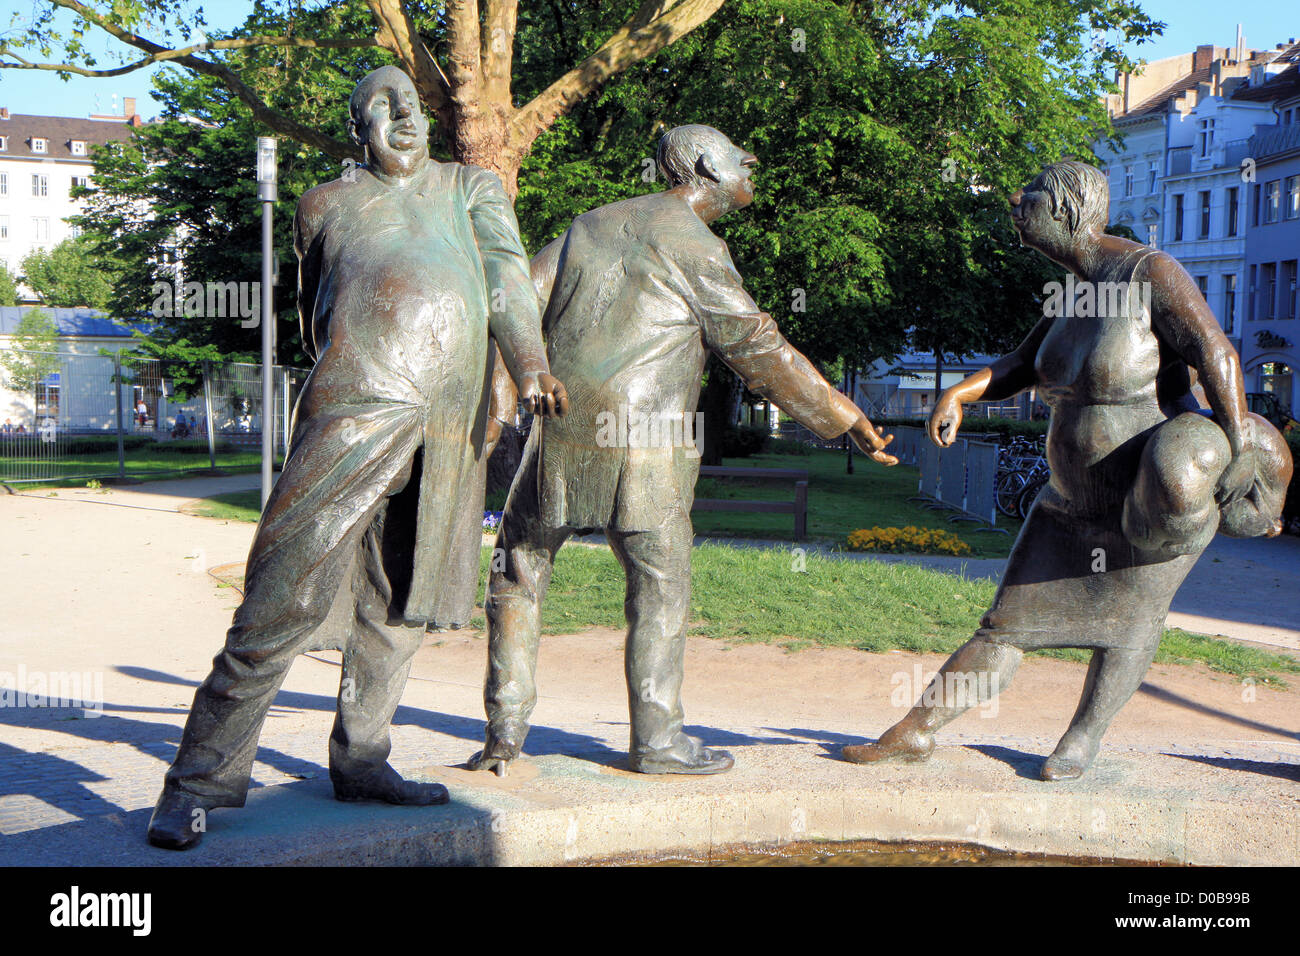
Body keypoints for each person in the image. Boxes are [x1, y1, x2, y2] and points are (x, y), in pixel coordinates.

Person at [147, 65, 568, 850]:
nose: (407, 117)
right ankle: (196, 781)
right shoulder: (325, 203)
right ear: (358, 129)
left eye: (415, 105)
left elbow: (509, 280)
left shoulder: (472, 189)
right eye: (386, 107)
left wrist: (533, 364)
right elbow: (318, 311)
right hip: (355, 403)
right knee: (283, 588)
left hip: (450, 422)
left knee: (403, 599)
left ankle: (362, 757)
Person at [468, 125, 897, 777]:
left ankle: (504, 733)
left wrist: (504, 410)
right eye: (737, 153)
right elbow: (757, 348)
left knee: (517, 572)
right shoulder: (697, 246)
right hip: (645, 449)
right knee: (659, 589)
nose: (751, 159)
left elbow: (514, 304)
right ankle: (658, 740)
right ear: (703, 165)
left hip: (556, 433)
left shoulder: (589, 224)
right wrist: (840, 414)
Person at [842, 161, 1291, 780]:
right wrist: (960, 395)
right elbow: (1021, 365)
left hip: (1145, 496)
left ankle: (1080, 739)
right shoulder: (1075, 290)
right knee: (1003, 626)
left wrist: (1239, 444)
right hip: (1067, 503)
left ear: (1069, 210)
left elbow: (1215, 350)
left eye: (1030, 198)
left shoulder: (1150, 272)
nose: (1016, 205)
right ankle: (915, 731)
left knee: (1128, 622)